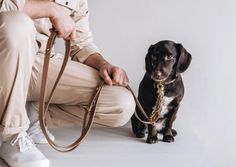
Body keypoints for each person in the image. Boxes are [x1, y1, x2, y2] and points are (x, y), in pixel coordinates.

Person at [0, 0, 136, 166]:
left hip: (41, 61)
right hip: (4, 58)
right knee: (17, 25)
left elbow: (81, 44)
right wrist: (50, 9)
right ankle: (11, 134)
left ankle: (33, 118)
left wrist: (103, 64)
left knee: (120, 102)